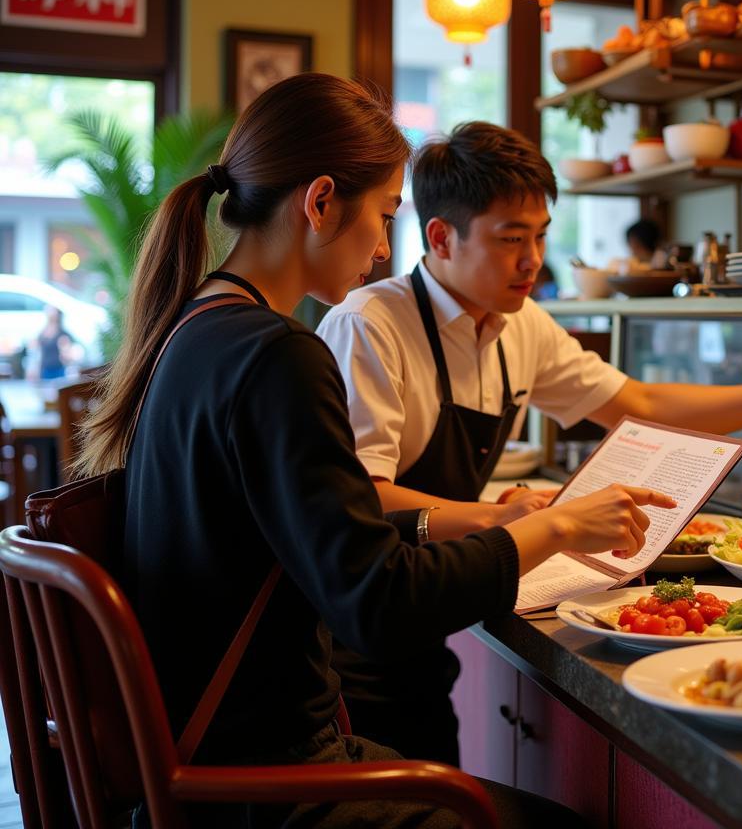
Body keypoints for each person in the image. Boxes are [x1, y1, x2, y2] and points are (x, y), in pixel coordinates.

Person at [77, 75, 675, 829]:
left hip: (203, 754)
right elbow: (379, 607)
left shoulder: (198, 328)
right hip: (259, 784)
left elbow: (325, 530)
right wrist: (549, 530)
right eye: (385, 215)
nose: (385, 246)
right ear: (320, 201)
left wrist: (483, 518)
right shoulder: (278, 356)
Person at [316, 121, 742, 765]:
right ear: (441, 237)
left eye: (539, 236)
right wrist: (508, 519)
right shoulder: (369, 324)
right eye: (511, 240)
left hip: (432, 605)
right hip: (353, 636)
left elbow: (636, 404)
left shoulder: (521, 324)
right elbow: (365, 494)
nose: (532, 260)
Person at [28, 305, 77, 380]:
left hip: (58, 370)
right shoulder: (43, 332)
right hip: (45, 370)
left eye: (52, 311)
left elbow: (67, 354)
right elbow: (36, 352)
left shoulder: (62, 333)